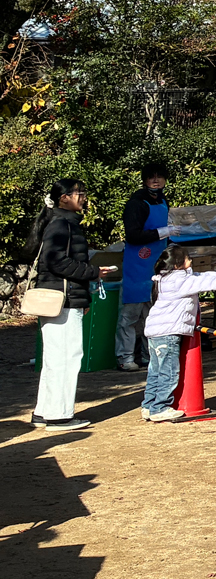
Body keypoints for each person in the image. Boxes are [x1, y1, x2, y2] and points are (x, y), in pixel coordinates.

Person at [30, 179, 118, 431]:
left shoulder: (60, 223)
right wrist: (92, 272)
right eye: (78, 193)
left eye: (83, 192)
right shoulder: (61, 224)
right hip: (62, 300)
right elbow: (56, 262)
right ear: (63, 198)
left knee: (55, 358)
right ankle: (59, 416)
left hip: (63, 298)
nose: (83, 197)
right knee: (66, 357)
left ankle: (44, 411)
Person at [142, 246, 216, 421]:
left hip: (155, 332)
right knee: (169, 371)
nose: (190, 261)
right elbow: (206, 283)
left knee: (155, 370)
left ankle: (149, 405)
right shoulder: (180, 281)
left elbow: (203, 277)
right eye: (187, 258)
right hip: (168, 333)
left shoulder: (166, 278)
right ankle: (160, 407)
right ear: (177, 264)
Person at [117, 164, 185, 372]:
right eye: (151, 177)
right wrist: (162, 232)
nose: (156, 181)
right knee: (129, 315)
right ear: (144, 180)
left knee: (154, 315)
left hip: (158, 265)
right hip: (137, 266)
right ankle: (125, 357)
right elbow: (133, 235)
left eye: (160, 176)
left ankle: (150, 356)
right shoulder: (136, 203)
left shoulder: (164, 201)